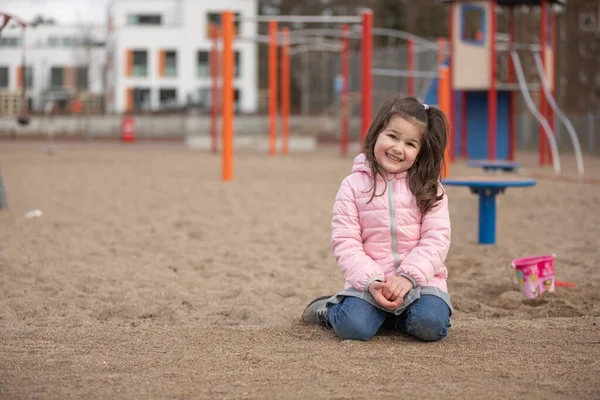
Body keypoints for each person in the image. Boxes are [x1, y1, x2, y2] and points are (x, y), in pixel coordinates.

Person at [302, 95, 452, 342]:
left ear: (420, 152)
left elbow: (436, 240)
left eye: (411, 144)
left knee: (430, 325)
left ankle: (393, 317)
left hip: (420, 283)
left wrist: (408, 277)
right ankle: (329, 311)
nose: (398, 148)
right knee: (353, 328)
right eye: (392, 136)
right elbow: (346, 241)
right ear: (377, 133)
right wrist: (372, 280)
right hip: (370, 284)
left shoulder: (430, 189)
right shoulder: (352, 186)